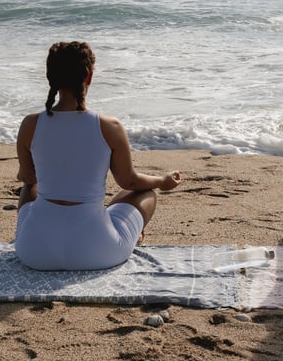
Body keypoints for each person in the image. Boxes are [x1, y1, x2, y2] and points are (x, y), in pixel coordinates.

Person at [14, 41, 181, 270]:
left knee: (29, 187)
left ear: (49, 76)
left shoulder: (30, 124)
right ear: (89, 77)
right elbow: (129, 181)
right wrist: (162, 181)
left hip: (34, 252)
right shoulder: (109, 126)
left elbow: (27, 177)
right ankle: (130, 234)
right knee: (145, 193)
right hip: (97, 252)